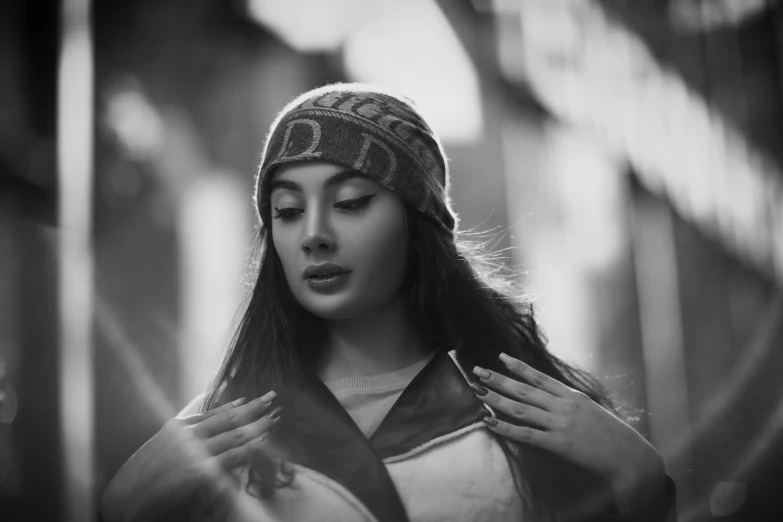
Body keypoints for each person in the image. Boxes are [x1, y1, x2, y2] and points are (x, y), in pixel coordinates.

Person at [100, 83, 677, 522]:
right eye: (288, 211)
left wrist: (644, 485)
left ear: (417, 222)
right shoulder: (223, 432)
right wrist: (122, 508)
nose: (314, 234)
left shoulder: (521, 423)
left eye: (350, 202)